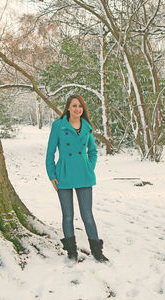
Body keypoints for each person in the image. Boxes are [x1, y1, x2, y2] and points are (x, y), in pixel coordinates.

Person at [46, 94, 108, 263]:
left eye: (80, 106)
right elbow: (50, 152)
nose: (77, 109)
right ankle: (71, 251)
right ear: (68, 108)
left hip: (84, 175)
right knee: (68, 215)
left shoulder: (87, 127)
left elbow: (93, 151)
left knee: (87, 214)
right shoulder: (58, 126)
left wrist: (88, 166)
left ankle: (97, 251)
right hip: (63, 174)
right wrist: (52, 175)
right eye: (74, 105)